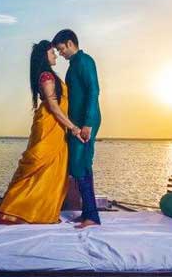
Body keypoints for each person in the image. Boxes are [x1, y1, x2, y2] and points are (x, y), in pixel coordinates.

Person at [0, 40, 85, 224]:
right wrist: (73, 128)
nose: (55, 55)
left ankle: (41, 211)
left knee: (52, 170)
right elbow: (53, 106)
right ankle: (15, 210)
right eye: (52, 52)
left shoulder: (50, 75)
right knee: (38, 164)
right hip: (49, 125)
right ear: (45, 56)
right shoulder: (46, 76)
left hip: (58, 126)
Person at [52, 29, 102, 229]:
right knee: (79, 165)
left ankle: (92, 216)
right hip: (77, 123)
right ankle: (88, 213)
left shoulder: (85, 61)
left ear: (71, 43)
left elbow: (94, 90)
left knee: (80, 164)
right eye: (57, 50)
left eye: (61, 48)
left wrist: (88, 123)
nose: (60, 53)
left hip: (85, 122)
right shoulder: (73, 66)